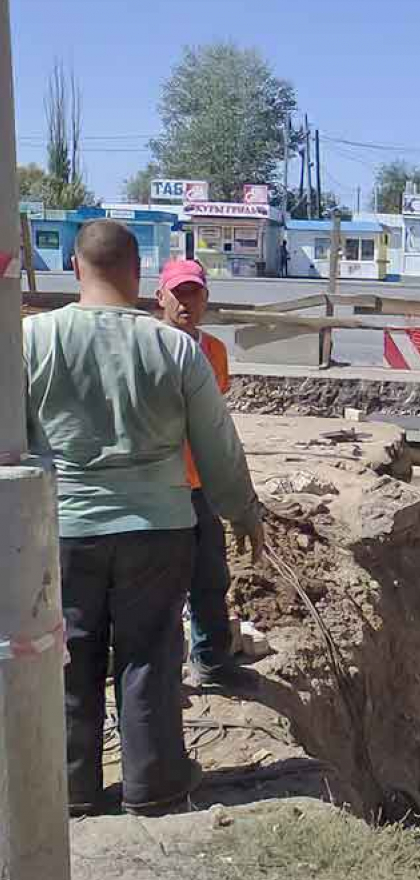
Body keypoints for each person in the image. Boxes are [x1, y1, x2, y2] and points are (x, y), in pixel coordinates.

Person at [24, 220, 265, 817]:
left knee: (68, 655)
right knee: (150, 654)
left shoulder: (31, 340)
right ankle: (154, 785)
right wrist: (242, 509)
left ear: (76, 269)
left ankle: (72, 788)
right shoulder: (177, 349)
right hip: (159, 528)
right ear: (139, 275)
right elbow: (217, 445)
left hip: (66, 529)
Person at [156, 259, 241, 688]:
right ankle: (162, 673)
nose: (186, 301)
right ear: (161, 298)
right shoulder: (148, 347)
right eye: (178, 293)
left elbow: (216, 422)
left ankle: (210, 661)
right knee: (161, 586)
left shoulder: (214, 353)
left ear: (206, 298)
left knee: (210, 577)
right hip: (158, 487)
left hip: (200, 485)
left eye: (194, 293)